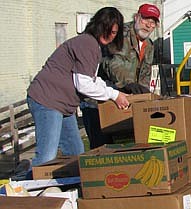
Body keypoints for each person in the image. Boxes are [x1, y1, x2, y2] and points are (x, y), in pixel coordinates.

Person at [26, 6, 129, 167]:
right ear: (97, 25)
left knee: (75, 152)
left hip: (64, 105)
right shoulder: (87, 43)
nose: (108, 35)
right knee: (46, 157)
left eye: (114, 32)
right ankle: (21, 189)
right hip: (48, 100)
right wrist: (114, 95)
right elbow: (84, 85)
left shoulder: (94, 47)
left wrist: (115, 93)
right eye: (106, 29)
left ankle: (72, 187)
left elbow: (92, 79)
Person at [81, 3, 160, 149]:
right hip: (99, 100)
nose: (148, 26)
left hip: (126, 101)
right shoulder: (119, 34)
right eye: (145, 20)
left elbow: (145, 73)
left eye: (153, 23)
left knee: (130, 147)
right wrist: (128, 84)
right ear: (136, 17)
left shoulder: (149, 45)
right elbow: (112, 63)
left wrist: (143, 96)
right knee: (102, 147)